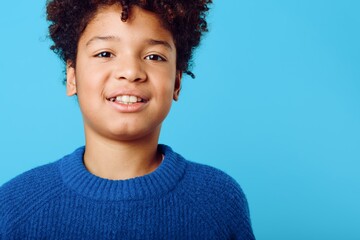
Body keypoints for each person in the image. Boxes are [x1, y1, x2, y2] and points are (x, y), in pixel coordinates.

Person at [0, 0, 255, 239]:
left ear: (177, 83)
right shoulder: (15, 206)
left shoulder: (218, 201)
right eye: (104, 54)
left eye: (154, 56)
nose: (131, 72)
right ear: (72, 77)